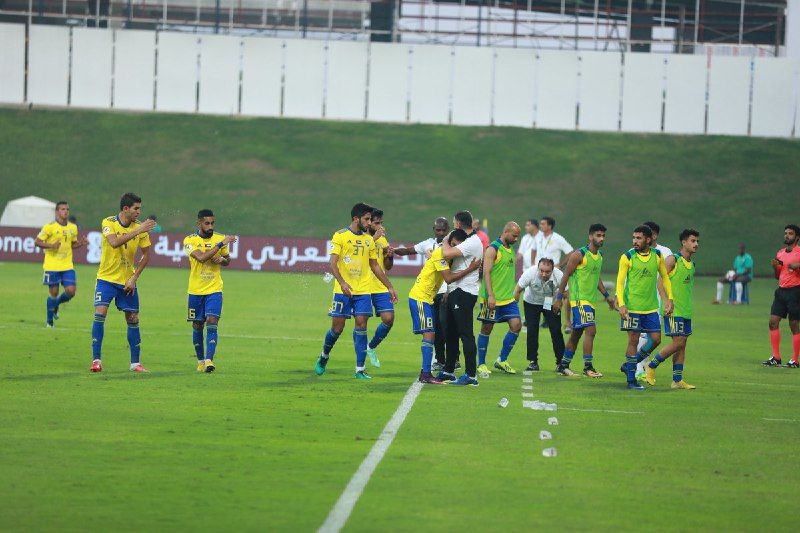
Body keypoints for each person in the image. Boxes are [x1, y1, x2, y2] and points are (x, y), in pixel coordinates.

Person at [315, 203, 397, 380]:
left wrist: (389, 286)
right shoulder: (341, 235)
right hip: (342, 291)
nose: (369, 223)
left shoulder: (369, 240)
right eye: (366, 219)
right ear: (356, 219)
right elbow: (333, 263)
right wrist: (342, 283)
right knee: (337, 329)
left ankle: (360, 369)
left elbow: (375, 265)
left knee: (361, 324)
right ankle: (324, 356)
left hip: (363, 291)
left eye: (370, 219)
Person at [90, 193, 155, 373]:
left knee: (133, 318)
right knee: (100, 313)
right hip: (106, 279)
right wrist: (138, 230)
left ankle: (135, 363)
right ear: (125, 209)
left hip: (127, 280)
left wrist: (134, 277)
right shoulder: (108, 222)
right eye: (136, 208)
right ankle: (96, 360)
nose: (139, 212)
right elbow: (114, 242)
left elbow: (147, 255)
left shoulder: (140, 228)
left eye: (140, 208)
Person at [408, 229, 480, 384]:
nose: (455, 250)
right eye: (454, 245)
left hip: (428, 299)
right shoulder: (441, 254)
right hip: (420, 297)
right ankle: (425, 374)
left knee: (432, 334)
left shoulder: (448, 255)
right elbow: (448, 278)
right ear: (451, 242)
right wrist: (470, 268)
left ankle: (427, 372)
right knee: (429, 334)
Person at [615, 225, 674, 390]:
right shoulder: (627, 257)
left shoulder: (657, 256)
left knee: (656, 339)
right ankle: (631, 380)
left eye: (638, 238)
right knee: (633, 340)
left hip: (651, 308)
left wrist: (670, 299)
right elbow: (620, 282)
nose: (635, 241)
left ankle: (629, 365)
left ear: (648, 239)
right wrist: (621, 304)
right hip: (632, 307)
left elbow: (665, 277)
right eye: (634, 238)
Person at [553, 223, 615, 378]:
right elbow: (566, 275)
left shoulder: (599, 256)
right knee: (591, 330)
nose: (601, 238)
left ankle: (563, 365)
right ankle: (588, 367)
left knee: (576, 334)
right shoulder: (579, 255)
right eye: (598, 235)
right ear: (590, 236)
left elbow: (597, 278)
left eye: (603, 236)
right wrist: (559, 298)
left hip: (590, 301)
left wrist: (607, 297)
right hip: (579, 300)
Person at [392, 217, 452, 370]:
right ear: (434, 230)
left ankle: (452, 358)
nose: (440, 233)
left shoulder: (452, 247)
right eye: (438, 230)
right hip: (430, 294)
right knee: (435, 328)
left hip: (446, 290)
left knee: (447, 326)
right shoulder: (428, 244)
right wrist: (392, 250)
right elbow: (407, 251)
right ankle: (439, 360)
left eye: (443, 230)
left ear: (448, 230)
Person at [645, 229, 700, 389]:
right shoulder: (673, 260)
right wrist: (666, 301)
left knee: (682, 344)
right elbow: (659, 282)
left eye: (697, 241)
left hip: (686, 310)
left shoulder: (692, 264)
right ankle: (652, 365)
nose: (696, 244)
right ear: (684, 242)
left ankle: (677, 380)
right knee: (678, 342)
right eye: (692, 241)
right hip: (673, 309)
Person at [183, 210, 237, 373]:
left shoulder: (219, 238)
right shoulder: (190, 240)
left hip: (214, 289)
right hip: (195, 290)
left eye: (212, 223)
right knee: (197, 324)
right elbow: (201, 257)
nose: (210, 226)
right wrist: (220, 245)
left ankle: (209, 360)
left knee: (212, 320)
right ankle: (200, 361)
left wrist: (223, 260)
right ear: (199, 223)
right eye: (207, 223)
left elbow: (227, 261)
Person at [439, 211, 484, 386]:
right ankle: (449, 370)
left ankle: (471, 375)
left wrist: (445, 239)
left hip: (465, 292)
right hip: (455, 290)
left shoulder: (472, 242)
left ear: (457, 224)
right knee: (450, 332)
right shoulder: (466, 239)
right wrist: (449, 291)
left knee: (465, 333)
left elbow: (446, 254)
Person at [475, 222, 522, 377]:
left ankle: (502, 360)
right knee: (486, 328)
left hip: (508, 299)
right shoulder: (492, 249)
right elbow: (486, 273)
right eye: (514, 235)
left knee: (516, 325)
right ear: (506, 231)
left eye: (517, 236)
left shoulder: (510, 249)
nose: (516, 239)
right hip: (492, 297)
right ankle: (481, 364)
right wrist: (490, 295)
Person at [35, 201, 87, 327]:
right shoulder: (49, 227)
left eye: (67, 209)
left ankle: (56, 304)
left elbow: (72, 244)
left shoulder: (72, 228)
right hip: (51, 265)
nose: (65, 211)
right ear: (57, 211)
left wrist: (80, 243)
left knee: (71, 291)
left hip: (67, 265)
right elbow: (37, 241)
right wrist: (51, 246)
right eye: (63, 209)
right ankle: (49, 322)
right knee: (53, 292)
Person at [635, 221, 673, 378]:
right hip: (639, 300)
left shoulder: (664, 252)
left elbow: (666, 277)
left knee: (653, 337)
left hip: (657, 300)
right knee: (641, 335)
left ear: (653, 236)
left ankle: (640, 366)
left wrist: (668, 299)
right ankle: (638, 369)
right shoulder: (634, 251)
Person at [515, 258, 564, 372]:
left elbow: (566, 294)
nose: (544, 274)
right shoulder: (530, 273)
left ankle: (561, 362)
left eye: (547, 272)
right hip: (532, 302)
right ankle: (533, 362)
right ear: (537, 268)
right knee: (532, 330)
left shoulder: (559, 275)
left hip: (549, 301)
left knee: (556, 330)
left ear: (553, 270)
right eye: (541, 270)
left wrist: (559, 302)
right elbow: (517, 290)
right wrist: (514, 312)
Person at [763, 224, 800, 367]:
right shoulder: (780, 253)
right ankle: (776, 357)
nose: (786, 236)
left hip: (795, 291)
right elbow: (777, 275)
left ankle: (795, 360)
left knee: (794, 324)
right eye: (785, 233)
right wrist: (774, 267)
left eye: (790, 233)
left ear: (797, 237)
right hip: (781, 291)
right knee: (773, 321)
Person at [364, 208, 394, 368]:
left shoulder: (383, 240)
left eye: (381, 223)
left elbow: (387, 267)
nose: (380, 226)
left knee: (389, 319)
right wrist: (374, 239)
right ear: (369, 223)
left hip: (379, 286)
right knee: (361, 323)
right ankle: (359, 364)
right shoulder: (361, 238)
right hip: (362, 287)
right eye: (377, 223)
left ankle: (371, 347)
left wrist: (389, 256)